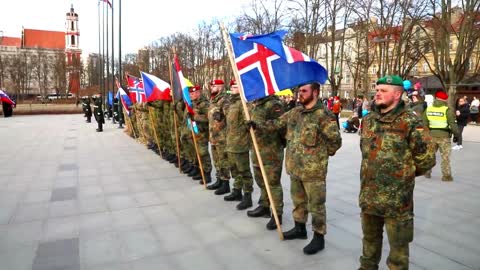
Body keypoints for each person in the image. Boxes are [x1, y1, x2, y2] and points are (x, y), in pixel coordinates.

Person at [250, 82, 342, 255]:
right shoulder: (295, 112)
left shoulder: (324, 115)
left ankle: (318, 236)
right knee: (298, 201)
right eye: (299, 91)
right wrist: (256, 125)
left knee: (316, 205)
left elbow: (335, 142)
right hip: (294, 168)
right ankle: (299, 228)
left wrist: (319, 157)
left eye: (304, 91)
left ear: (315, 92)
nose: (300, 94)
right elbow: (276, 124)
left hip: (313, 171)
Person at [359, 75, 436, 270]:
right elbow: (366, 153)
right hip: (369, 196)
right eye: (377, 89)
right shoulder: (368, 120)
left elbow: (426, 159)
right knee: (369, 241)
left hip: (397, 200)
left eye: (383, 91)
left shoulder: (411, 122)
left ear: (397, 94)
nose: (377, 93)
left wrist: (402, 174)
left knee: (398, 250)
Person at [246, 94, 285, 230]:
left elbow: (280, 126)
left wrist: (258, 126)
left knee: (272, 183)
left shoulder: (274, 104)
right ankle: (264, 205)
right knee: (261, 181)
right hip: (257, 149)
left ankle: (277, 214)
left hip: (271, 151)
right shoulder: (255, 104)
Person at [224, 79, 254, 210]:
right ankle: (237, 190)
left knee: (244, 171)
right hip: (230, 142)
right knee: (234, 169)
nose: (234, 88)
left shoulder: (243, 103)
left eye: (236, 86)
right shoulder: (231, 103)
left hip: (240, 143)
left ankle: (247, 197)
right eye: (233, 86)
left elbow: (248, 121)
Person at [423, 90, 459, 181]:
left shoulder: (428, 109)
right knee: (445, 157)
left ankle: (427, 172)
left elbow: (424, 124)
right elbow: (453, 125)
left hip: (431, 136)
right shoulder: (447, 110)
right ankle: (446, 176)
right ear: (444, 100)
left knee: (430, 155)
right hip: (444, 137)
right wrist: (457, 135)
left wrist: (426, 135)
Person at [206, 79, 232, 194]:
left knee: (223, 161)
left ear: (221, 87)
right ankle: (219, 180)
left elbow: (229, 115)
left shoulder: (224, 99)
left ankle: (225, 183)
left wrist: (221, 116)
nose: (212, 88)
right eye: (211, 86)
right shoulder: (213, 99)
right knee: (216, 160)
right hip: (214, 136)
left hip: (221, 137)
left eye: (214, 86)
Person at [189, 85, 212, 183]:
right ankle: (199, 170)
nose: (192, 95)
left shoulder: (204, 104)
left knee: (203, 153)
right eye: (191, 94)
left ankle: (207, 174)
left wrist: (195, 117)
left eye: (194, 93)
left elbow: (208, 118)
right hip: (195, 130)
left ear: (199, 93)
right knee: (197, 152)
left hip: (202, 132)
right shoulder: (192, 103)